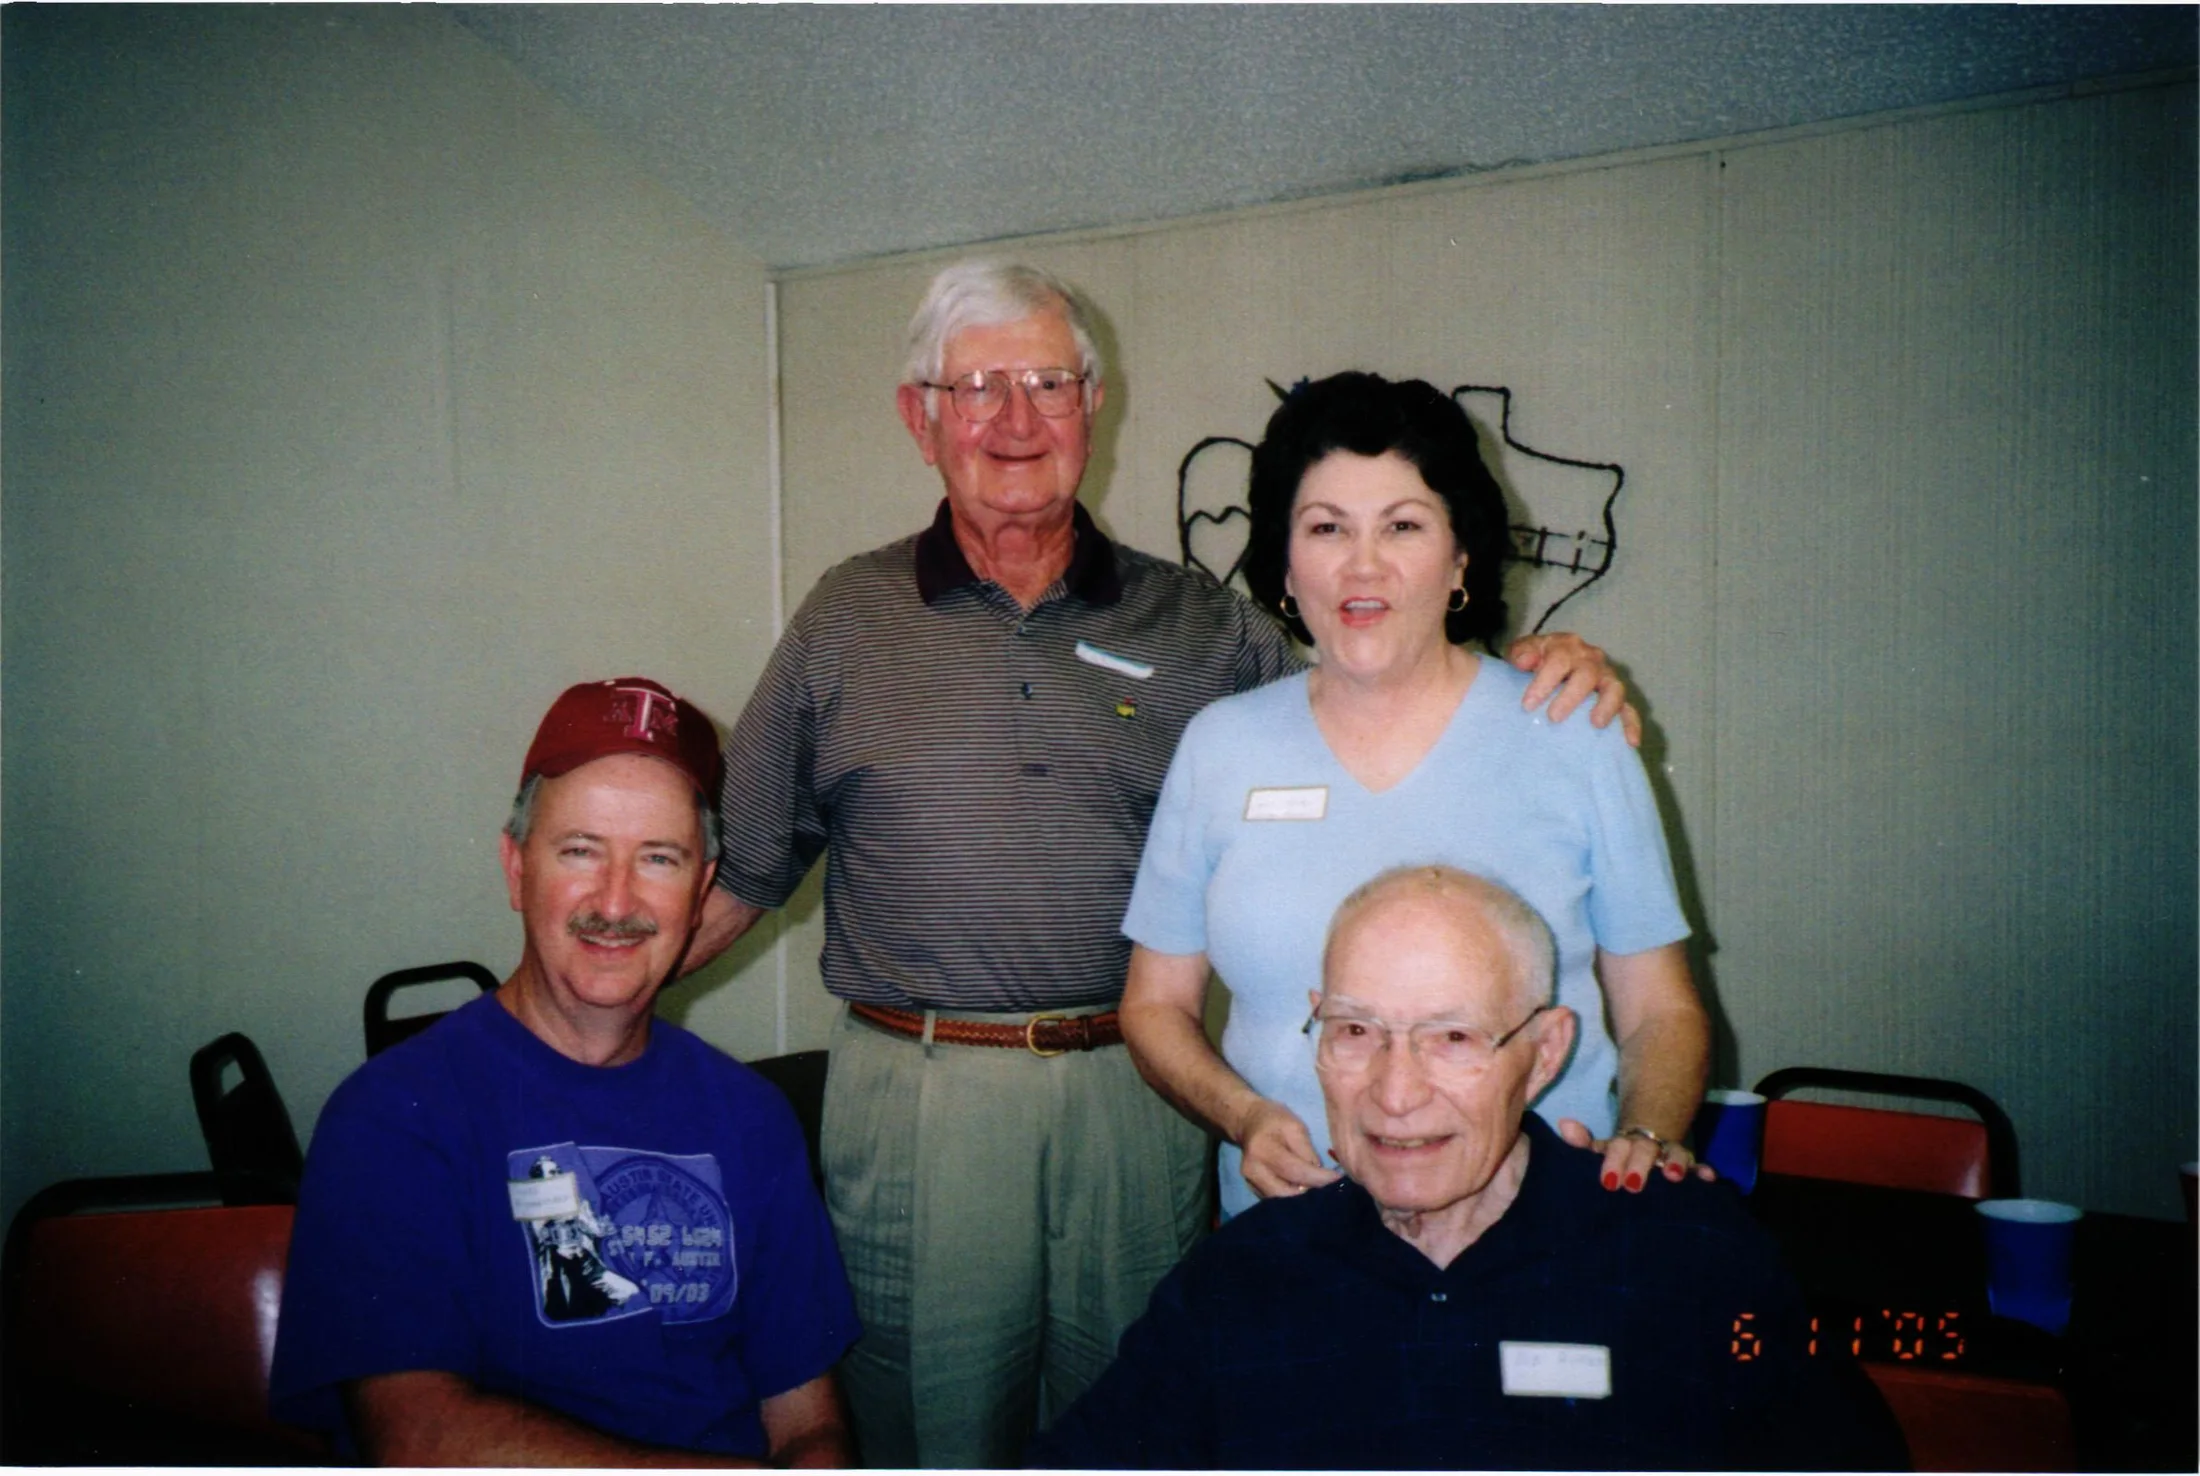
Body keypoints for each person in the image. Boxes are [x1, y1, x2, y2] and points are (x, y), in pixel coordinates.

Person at [681, 262, 1632, 1468]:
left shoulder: (1202, 624)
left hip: (1140, 1099)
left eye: (1047, 383)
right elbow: (744, 870)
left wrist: (1536, 669)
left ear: (1093, 406)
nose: (1015, 419)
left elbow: (1371, 723)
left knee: (1151, 1422)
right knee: (932, 1434)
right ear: (920, 417)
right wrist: (570, 1022)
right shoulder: (843, 618)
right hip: (923, 1095)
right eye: (977, 388)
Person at [1032, 866, 1904, 1470]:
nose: (1395, 1093)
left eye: (1452, 1038)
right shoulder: (1238, 1282)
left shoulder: (1687, 1258)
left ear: (1544, 1052)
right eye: (1356, 1031)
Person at [1121, 370, 1711, 1226]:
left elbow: (1659, 1008)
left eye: (1402, 525)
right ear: (1284, 562)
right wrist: (1241, 1116)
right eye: (1327, 528)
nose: (1363, 565)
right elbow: (1154, 1006)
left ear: (1460, 555)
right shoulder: (1221, 747)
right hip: (1295, 1229)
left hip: (1539, 1226)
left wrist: (1647, 1133)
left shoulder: (1572, 731)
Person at [270, 678, 856, 1466]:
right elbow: (419, 1439)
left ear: (701, 892)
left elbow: (810, 1426)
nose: (615, 902)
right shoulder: (392, 1115)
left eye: (659, 858)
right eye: (580, 851)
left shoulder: (753, 1119)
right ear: (516, 869)